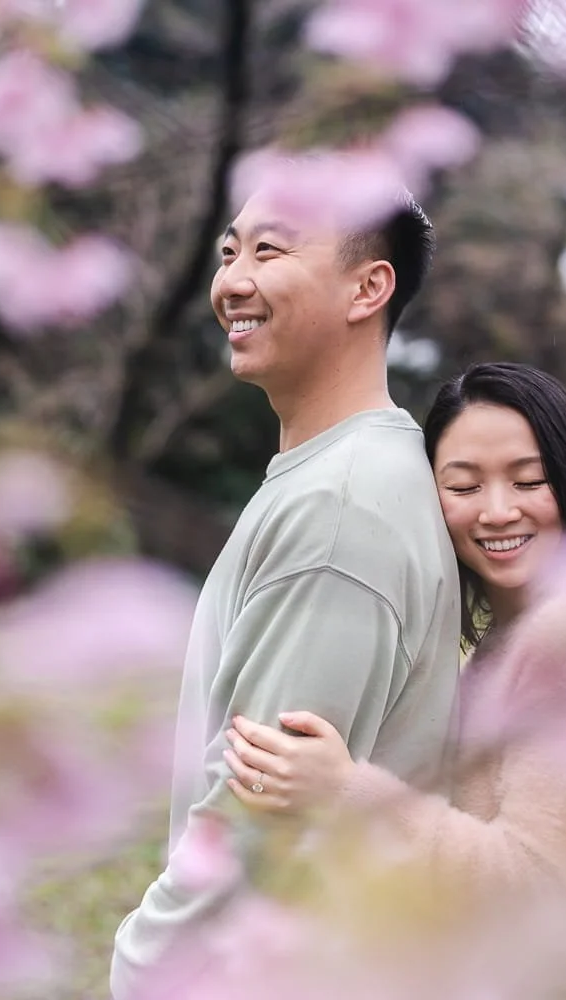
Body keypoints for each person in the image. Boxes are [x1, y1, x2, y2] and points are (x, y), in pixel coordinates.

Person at [109, 178, 462, 998]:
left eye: (270, 250)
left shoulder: (340, 511)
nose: (231, 278)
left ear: (369, 286)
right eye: (229, 250)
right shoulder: (349, 474)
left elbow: (253, 833)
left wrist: (141, 971)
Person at [223, 363, 566, 1000]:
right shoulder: (517, 635)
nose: (497, 512)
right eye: (462, 487)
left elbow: (534, 887)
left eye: (529, 480)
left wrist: (346, 790)